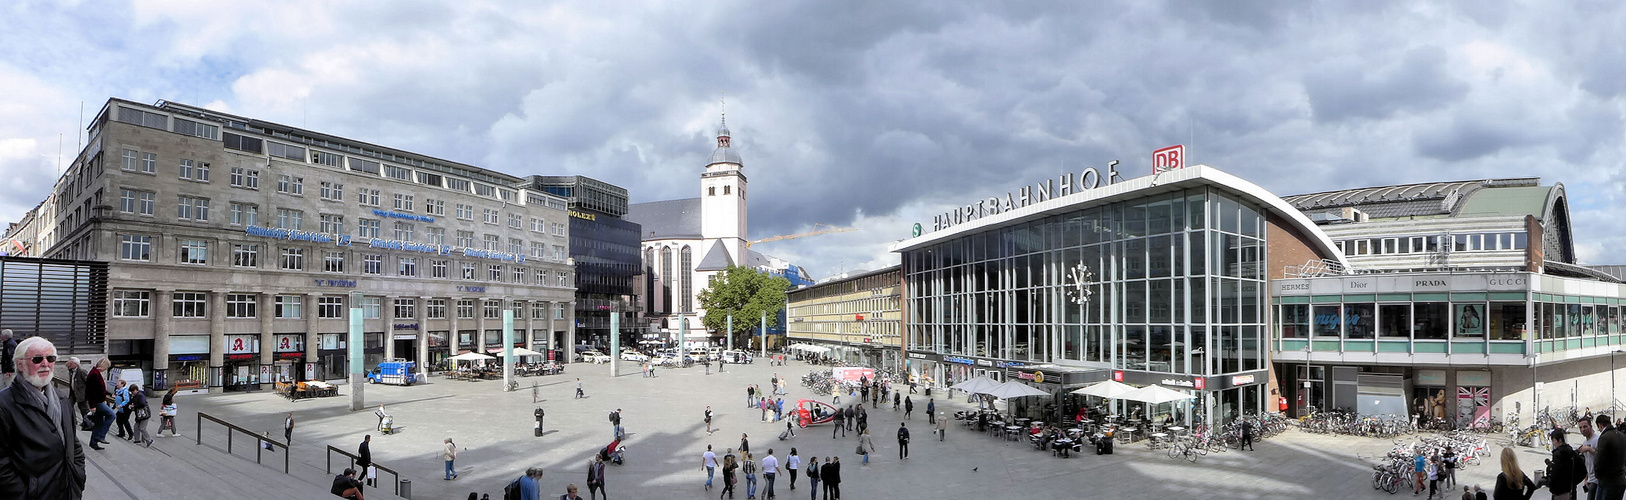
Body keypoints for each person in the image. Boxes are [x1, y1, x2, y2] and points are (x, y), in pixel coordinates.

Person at [0, 336, 86, 499]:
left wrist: (78, 476)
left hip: (67, 491)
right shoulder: (5, 404)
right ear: (20, 364)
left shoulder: (61, 399)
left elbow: (73, 443)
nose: (45, 364)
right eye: (37, 359)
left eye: (51, 358)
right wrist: (23, 493)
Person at [86, 357, 114, 450]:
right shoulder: (95, 374)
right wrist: (92, 405)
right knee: (112, 415)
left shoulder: (95, 373)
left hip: (98, 401)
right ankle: (101, 435)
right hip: (98, 402)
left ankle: (93, 442)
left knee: (99, 422)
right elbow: (92, 391)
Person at [1598, 414, 1626, 500]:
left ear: (1600, 425)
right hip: (1620, 479)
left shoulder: (1604, 437)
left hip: (1608, 481)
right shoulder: (1621, 435)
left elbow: (1599, 460)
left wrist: (1598, 475)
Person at [1548, 428, 1581, 500]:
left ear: (1560, 440)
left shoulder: (1557, 454)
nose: (1553, 443)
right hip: (1570, 489)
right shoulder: (1570, 451)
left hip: (1559, 490)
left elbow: (1555, 474)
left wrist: (1551, 485)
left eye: (1554, 440)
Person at [1578, 417, 1599, 500]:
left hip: (1597, 479)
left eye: (1585, 426)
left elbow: (1602, 457)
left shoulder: (1597, 439)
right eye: (1580, 427)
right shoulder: (1585, 442)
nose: (1583, 429)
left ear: (1591, 426)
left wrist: (1589, 449)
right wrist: (1587, 477)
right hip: (1591, 478)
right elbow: (1588, 462)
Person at [65, 357, 87, 430]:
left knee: (83, 408)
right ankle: (74, 420)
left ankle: (86, 422)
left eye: (71, 363)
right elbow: (67, 365)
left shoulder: (82, 372)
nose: (70, 365)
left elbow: (88, 382)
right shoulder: (71, 371)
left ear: (76, 364)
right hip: (73, 392)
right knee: (69, 405)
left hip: (81, 393)